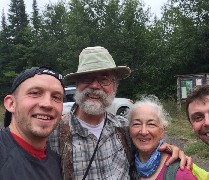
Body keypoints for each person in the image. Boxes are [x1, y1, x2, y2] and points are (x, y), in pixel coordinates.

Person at [49, 46, 192, 179]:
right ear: (77, 84)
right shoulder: (52, 133)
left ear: (114, 86)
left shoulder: (124, 129)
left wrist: (171, 151)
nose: (94, 85)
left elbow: (148, 144)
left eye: (104, 79)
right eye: (87, 78)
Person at [0, 67, 64, 180]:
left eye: (56, 97)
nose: (47, 104)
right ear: (11, 104)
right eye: (35, 93)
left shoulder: (57, 162)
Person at [129, 95, 197, 179]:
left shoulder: (180, 173)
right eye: (136, 124)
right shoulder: (126, 164)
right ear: (129, 129)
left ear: (162, 130)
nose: (143, 131)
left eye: (151, 124)